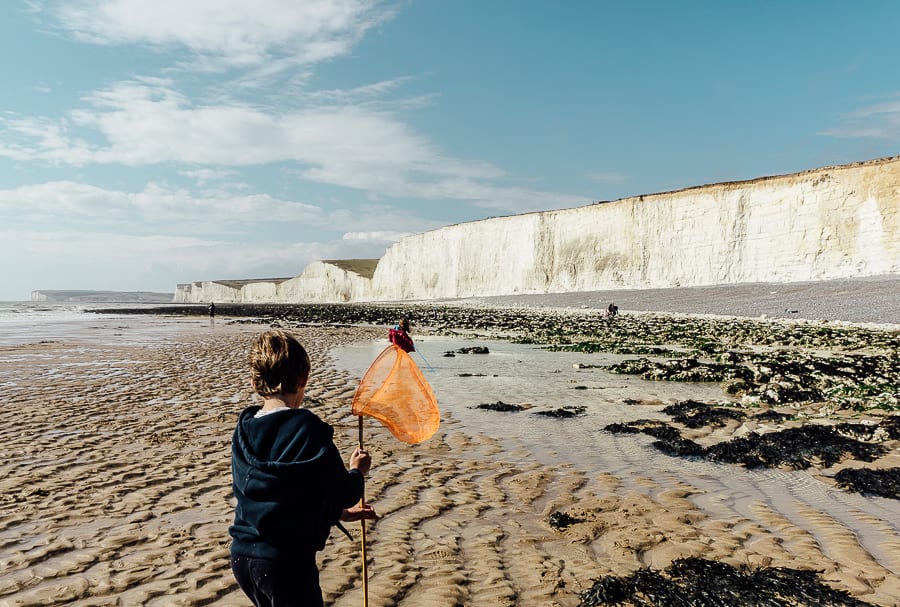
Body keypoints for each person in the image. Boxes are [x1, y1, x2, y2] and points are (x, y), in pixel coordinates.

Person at [229, 330, 376, 607]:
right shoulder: (308, 429)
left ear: (254, 382)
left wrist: (339, 513)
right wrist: (358, 470)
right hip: (286, 563)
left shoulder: (244, 429)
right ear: (303, 380)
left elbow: (282, 490)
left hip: (243, 557)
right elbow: (344, 490)